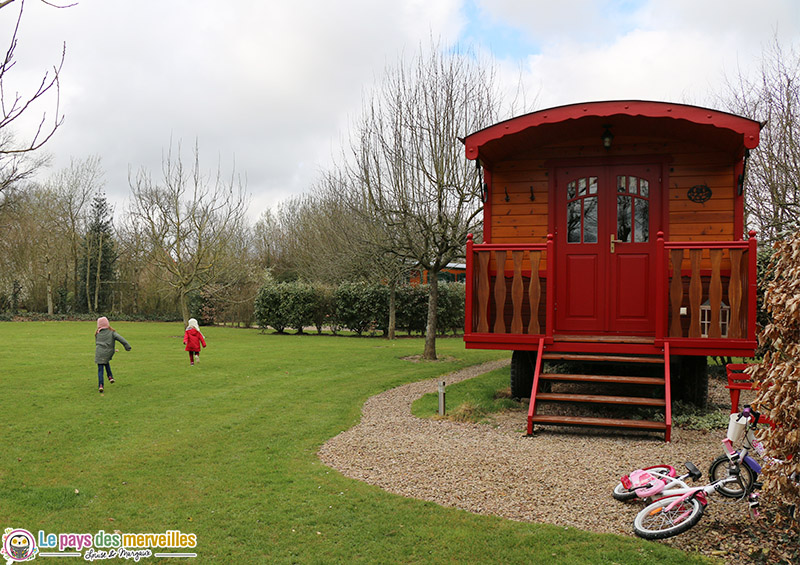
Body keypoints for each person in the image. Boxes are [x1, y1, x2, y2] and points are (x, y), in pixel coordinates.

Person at [95, 316, 131, 393]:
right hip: (108, 353)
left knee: (100, 369)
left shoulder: (97, 334)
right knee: (106, 362)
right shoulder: (112, 333)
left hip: (99, 353)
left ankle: (101, 385)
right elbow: (121, 339)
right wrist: (127, 347)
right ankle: (110, 377)